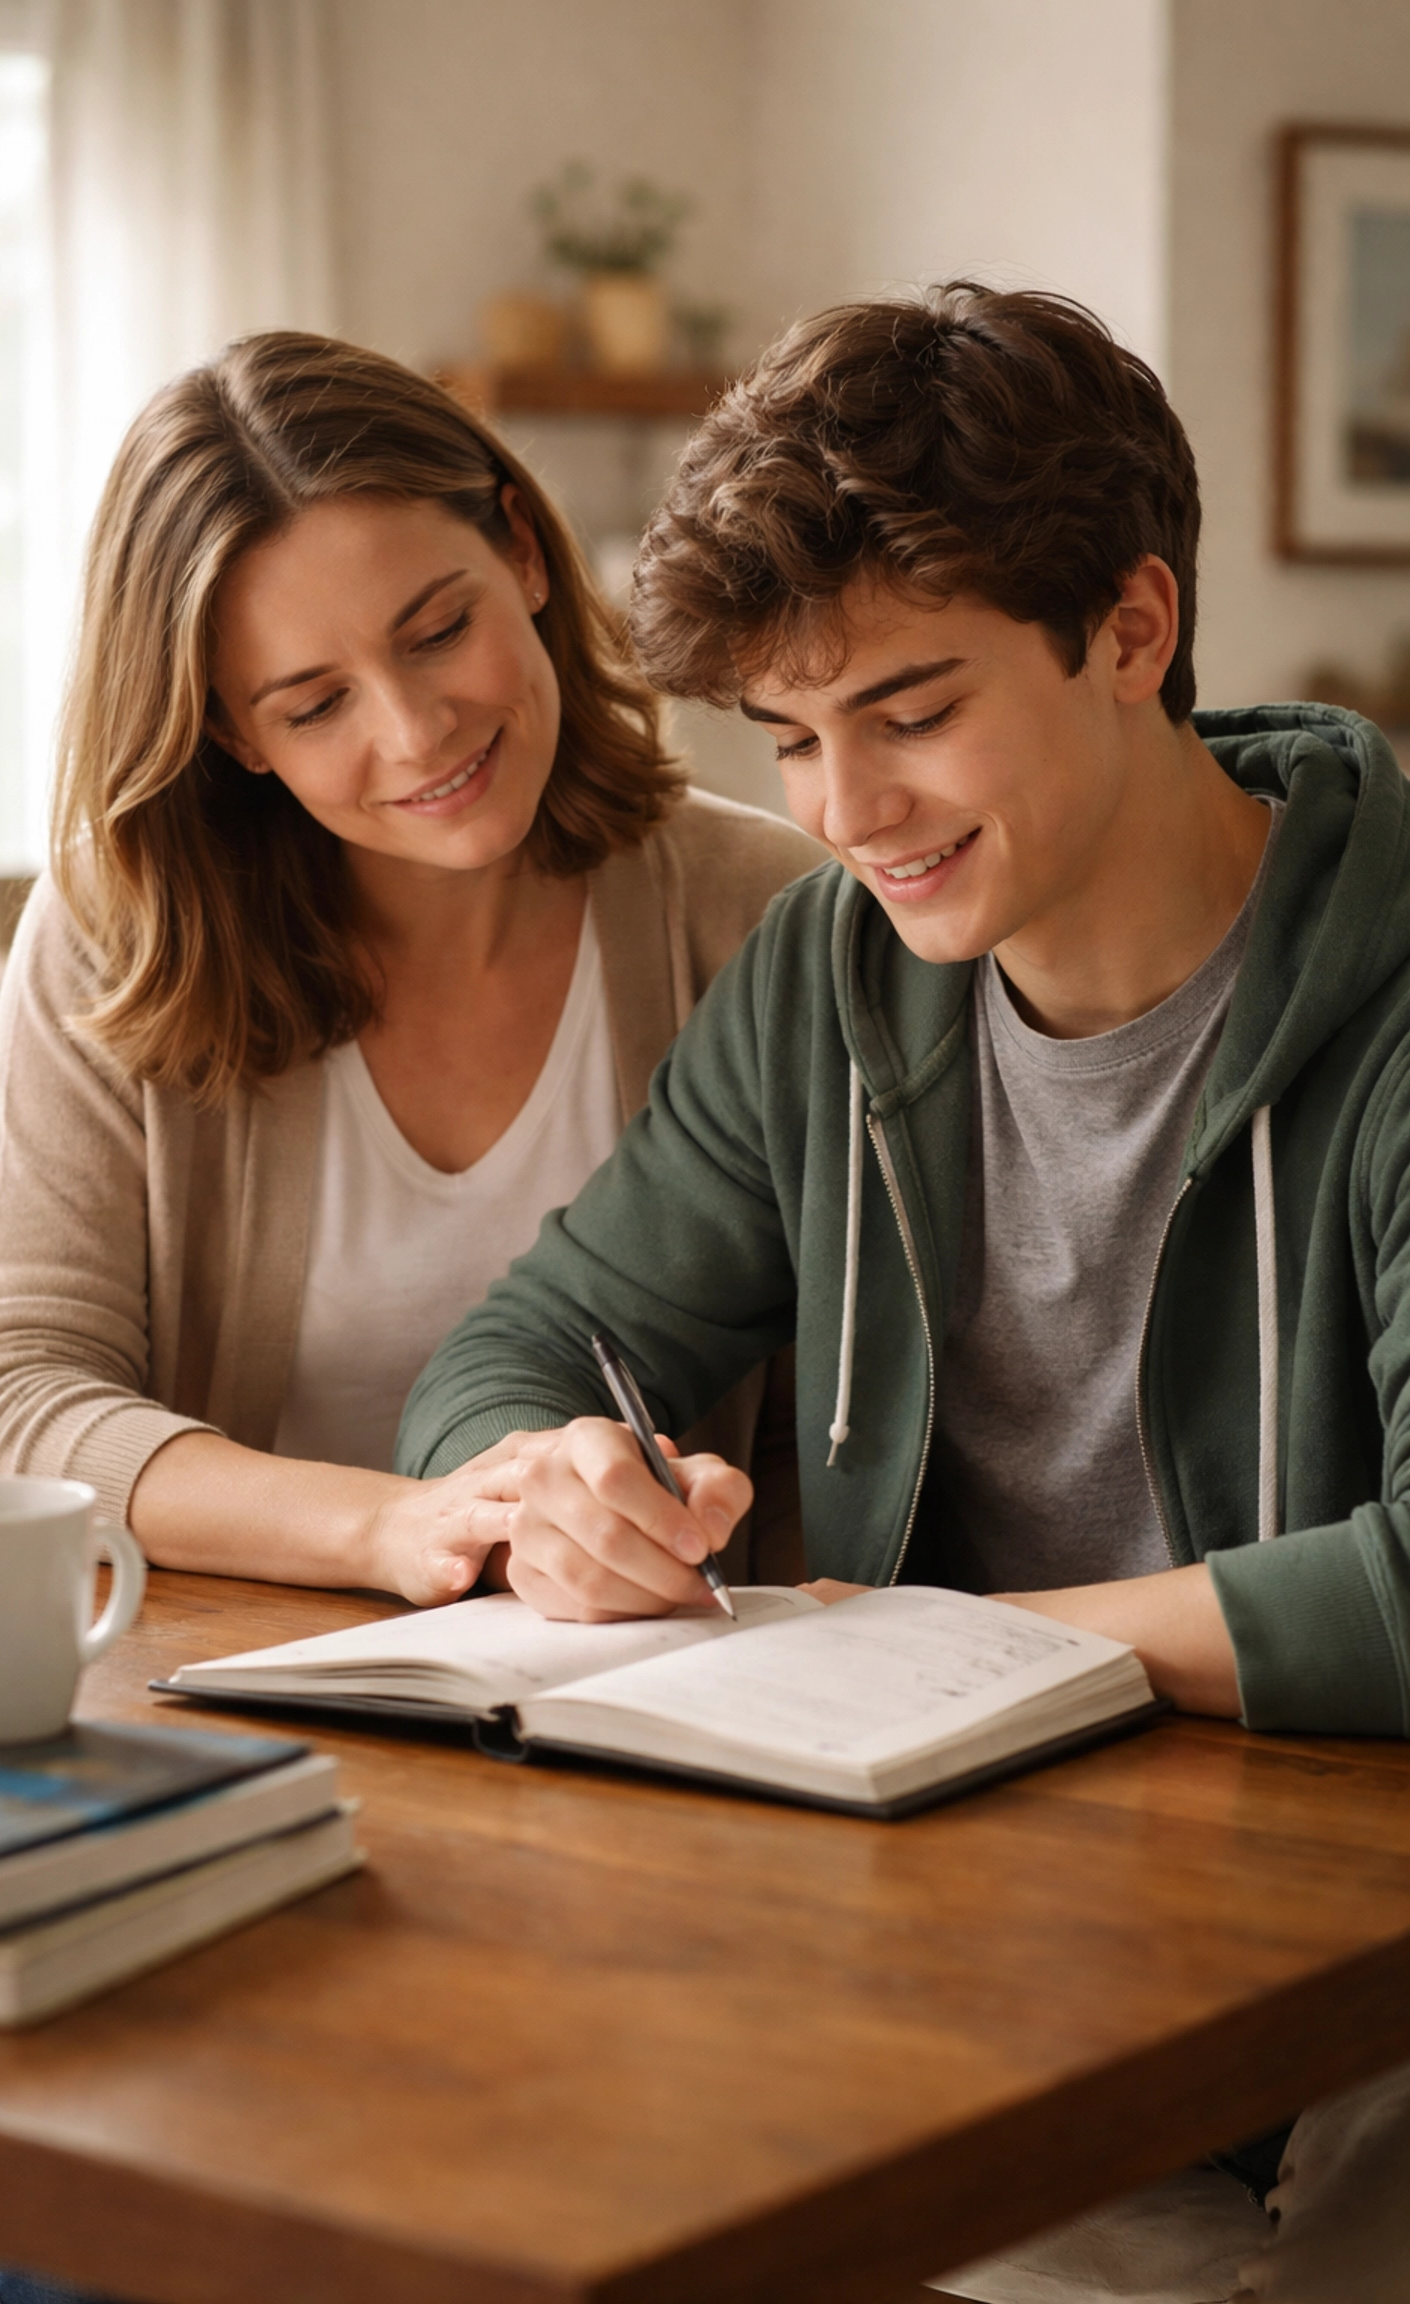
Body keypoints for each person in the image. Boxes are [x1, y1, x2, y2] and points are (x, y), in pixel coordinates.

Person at [395, 288, 1410, 2302]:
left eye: (914, 711)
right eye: (788, 737)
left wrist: (977, 1644)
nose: (844, 815)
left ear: (1132, 630)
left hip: (1340, 1980)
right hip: (960, 1932)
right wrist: (560, 1478)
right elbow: (521, 1351)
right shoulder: (826, 983)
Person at [0, 336, 817, 2304]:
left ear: (522, 547)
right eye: (311, 700)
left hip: (664, 1820)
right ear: (231, 734)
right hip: (216, 1813)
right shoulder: (123, 930)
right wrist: (399, 1526)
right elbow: (4, 1391)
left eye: (438, 627)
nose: (417, 727)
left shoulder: (758, 913)